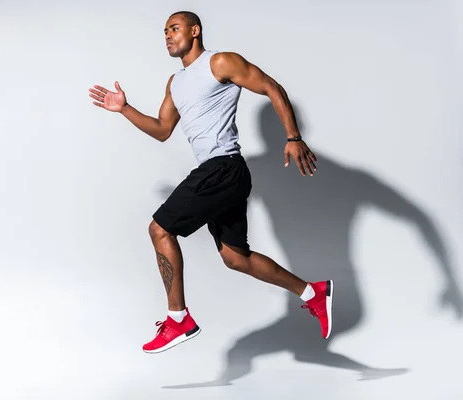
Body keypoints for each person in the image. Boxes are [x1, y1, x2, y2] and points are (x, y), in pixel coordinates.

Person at [88, 10, 333, 354]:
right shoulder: (176, 83)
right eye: (164, 32)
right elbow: (162, 129)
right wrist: (125, 108)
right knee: (236, 259)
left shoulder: (220, 63)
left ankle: (178, 319)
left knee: (159, 229)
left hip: (223, 167)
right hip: (221, 173)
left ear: (195, 30)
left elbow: (271, 87)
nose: (168, 36)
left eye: (174, 29)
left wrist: (292, 136)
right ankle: (313, 292)